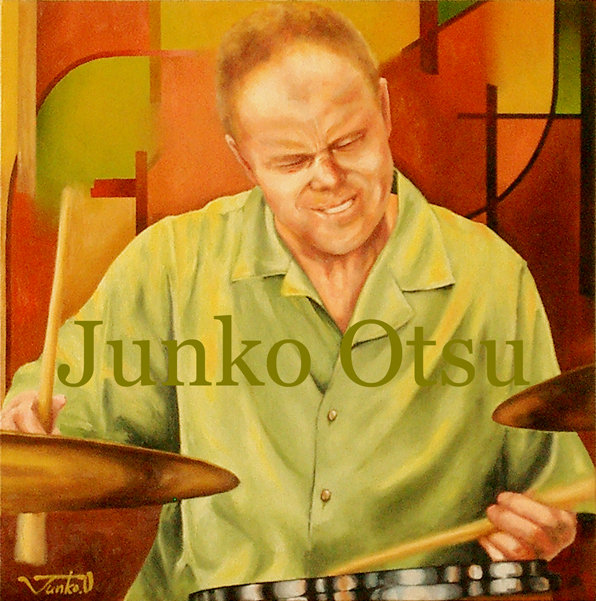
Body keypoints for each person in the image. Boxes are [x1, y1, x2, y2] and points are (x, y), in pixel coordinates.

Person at [2, 4, 594, 601]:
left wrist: (548, 529)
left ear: (384, 109)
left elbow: (552, 488)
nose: (328, 177)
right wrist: (31, 416)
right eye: (291, 161)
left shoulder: (491, 278)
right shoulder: (173, 265)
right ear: (243, 158)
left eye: (349, 141)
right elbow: (60, 405)